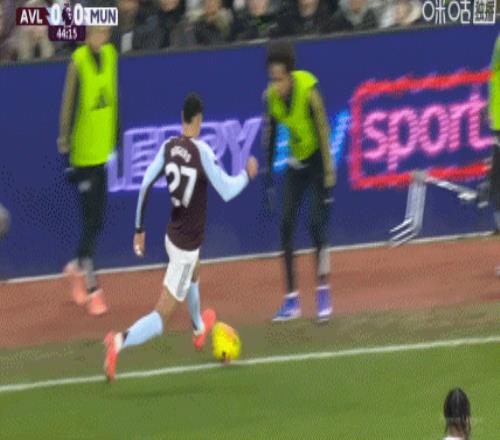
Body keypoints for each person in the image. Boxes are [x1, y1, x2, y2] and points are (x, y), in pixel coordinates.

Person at [103, 94, 258, 382]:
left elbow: (145, 183)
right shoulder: (202, 152)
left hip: (173, 236)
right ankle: (119, 341)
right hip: (185, 247)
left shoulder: (168, 147)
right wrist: (247, 176)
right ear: (198, 119)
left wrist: (139, 229)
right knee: (162, 316)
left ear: (182, 117)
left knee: (195, 271)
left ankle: (199, 328)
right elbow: (226, 190)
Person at [263, 41, 335, 322]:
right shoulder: (270, 97)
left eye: (280, 79)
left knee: (317, 225)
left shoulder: (309, 91)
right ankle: (292, 301)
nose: (277, 85)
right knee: (285, 225)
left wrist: (328, 178)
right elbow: (270, 138)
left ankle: (323, 293)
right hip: (295, 164)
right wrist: (268, 177)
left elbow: (324, 132)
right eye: (273, 78)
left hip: (317, 164)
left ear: (290, 75)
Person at [58, 26, 119, 316]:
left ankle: (75, 266)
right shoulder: (78, 62)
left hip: (101, 153)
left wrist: (116, 139)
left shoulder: (111, 55)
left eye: (104, 32)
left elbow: (113, 98)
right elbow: (67, 108)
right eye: (96, 32)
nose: (100, 37)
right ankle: (94, 290)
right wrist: (66, 151)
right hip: (82, 156)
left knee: (97, 221)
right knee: (89, 221)